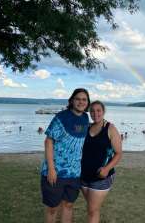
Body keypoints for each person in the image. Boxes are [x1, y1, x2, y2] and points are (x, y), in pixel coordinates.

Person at [40, 88, 90, 223]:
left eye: (84, 99)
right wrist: (51, 169)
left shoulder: (86, 118)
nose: (81, 102)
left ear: (87, 102)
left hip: (74, 173)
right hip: (55, 173)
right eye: (78, 99)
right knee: (52, 208)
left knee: (68, 205)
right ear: (72, 101)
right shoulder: (61, 118)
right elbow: (48, 141)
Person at [80, 101, 122, 223]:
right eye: (92, 111)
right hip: (83, 176)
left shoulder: (110, 128)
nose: (95, 113)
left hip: (101, 177)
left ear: (103, 112)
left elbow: (119, 153)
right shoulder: (86, 127)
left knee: (92, 210)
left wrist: (107, 168)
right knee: (92, 208)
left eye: (98, 110)